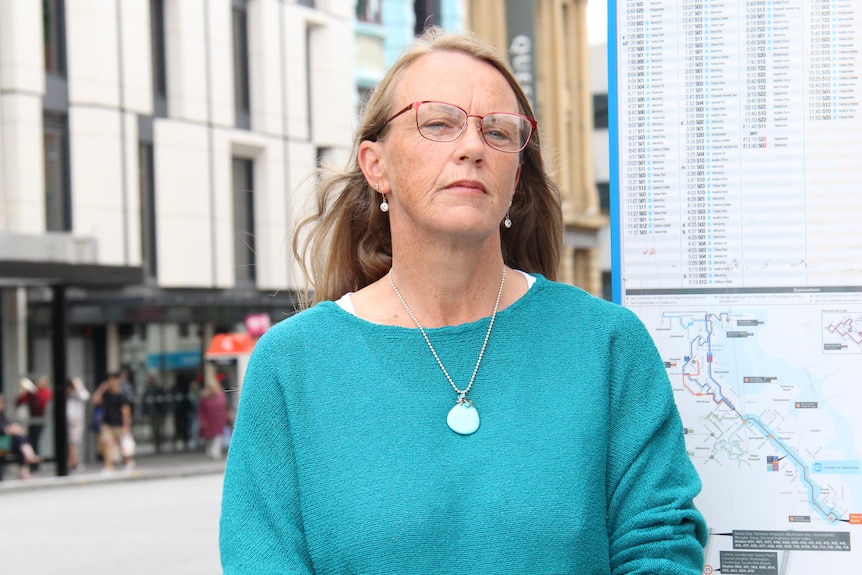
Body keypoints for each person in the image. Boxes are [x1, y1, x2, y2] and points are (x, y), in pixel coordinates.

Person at [220, 28, 708, 574]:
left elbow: (659, 548)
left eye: (499, 132)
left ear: (516, 176)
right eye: (438, 122)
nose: (473, 147)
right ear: (375, 164)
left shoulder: (608, 345)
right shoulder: (291, 365)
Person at [91, 372, 134, 472]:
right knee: (107, 444)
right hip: (107, 423)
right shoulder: (106, 395)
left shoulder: (122, 396)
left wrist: (126, 425)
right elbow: (95, 400)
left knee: (122, 445)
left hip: (119, 424)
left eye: (112, 380)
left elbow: (126, 411)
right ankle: (108, 466)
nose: (110, 382)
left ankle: (128, 462)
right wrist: (102, 388)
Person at [0, 394, 42, 479]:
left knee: (19, 441)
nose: (2, 405)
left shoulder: (3, 416)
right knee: (19, 440)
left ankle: (27, 460)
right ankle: (29, 457)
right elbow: (5, 428)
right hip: (3, 444)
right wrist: (11, 429)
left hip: (6, 443)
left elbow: (7, 426)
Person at [16, 375, 53, 465]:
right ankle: (31, 462)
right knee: (30, 440)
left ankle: (35, 464)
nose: (38, 383)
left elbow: (40, 404)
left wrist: (34, 393)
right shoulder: (33, 392)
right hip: (32, 419)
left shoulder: (45, 392)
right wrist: (23, 392)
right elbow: (19, 402)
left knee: (35, 440)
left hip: (40, 419)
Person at [197, 377, 228, 460]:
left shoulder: (221, 396)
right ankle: (210, 451)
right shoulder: (204, 398)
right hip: (208, 421)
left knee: (218, 437)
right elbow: (201, 410)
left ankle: (215, 453)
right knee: (209, 437)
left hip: (218, 420)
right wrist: (202, 420)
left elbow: (224, 408)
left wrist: (225, 417)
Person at [66, 376, 91, 472]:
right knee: (70, 445)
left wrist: (77, 384)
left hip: (76, 422)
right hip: (68, 423)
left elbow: (85, 396)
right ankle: (73, 463)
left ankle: (75, 463)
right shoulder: (67, 397)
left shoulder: (77, 395)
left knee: (72, 443)